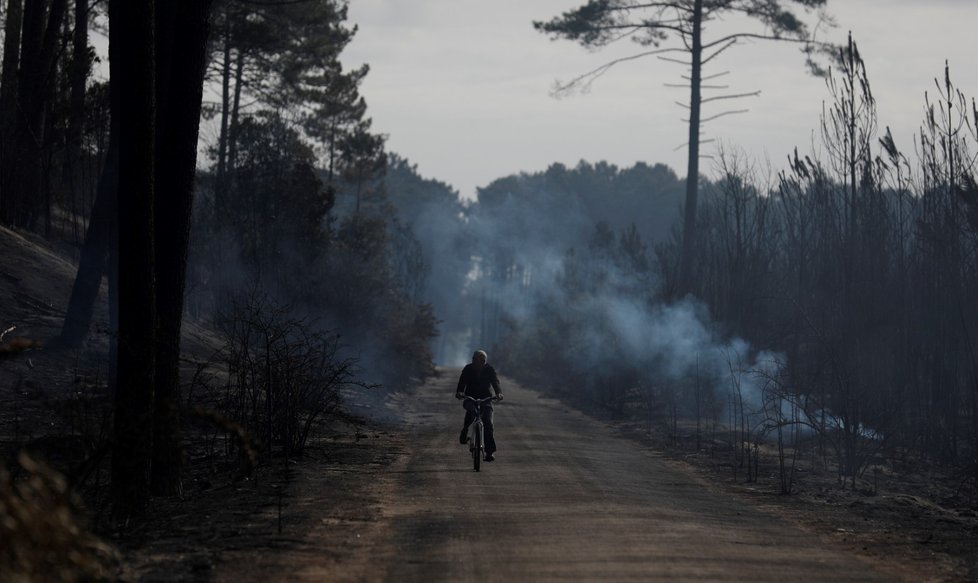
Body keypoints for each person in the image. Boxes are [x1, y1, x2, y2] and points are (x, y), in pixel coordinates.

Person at [455, 350, 503, 461]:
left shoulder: (489, 369)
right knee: (472, 412)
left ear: (484, 362)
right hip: (470, 399)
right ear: (473, 360)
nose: (478, 363)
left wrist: (498, 393)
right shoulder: (468, 369)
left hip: (486, 400)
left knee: (488, 424)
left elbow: (495, 382)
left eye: (481, 361)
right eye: (476, 361)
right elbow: (462, 383)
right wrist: (460, 392)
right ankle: (465, 430)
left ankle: (489, 452)